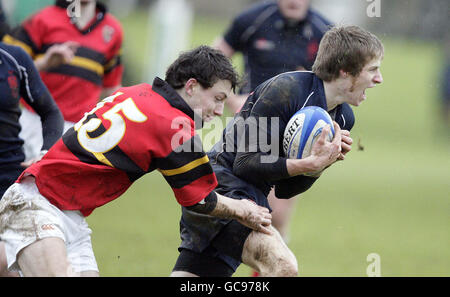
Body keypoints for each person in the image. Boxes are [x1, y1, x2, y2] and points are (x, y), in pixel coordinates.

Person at [0, 45, 272, 277]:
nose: (218, 111)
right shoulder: (173, 124)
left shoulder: (138, 91)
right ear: (191, 86)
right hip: (37, 204)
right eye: (217, 98)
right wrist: (244, 209)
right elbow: (202, 199)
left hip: (67, 212)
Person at [171, 25, 384, 277]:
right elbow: (246, 163)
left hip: (252, 199)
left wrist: (321, 164)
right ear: (346, 70)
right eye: (373, 69)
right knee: (283, 267)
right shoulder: (286, 91)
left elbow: (285, 189)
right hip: (223, 190)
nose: (379, 78)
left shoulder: (342, 117)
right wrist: (309, 164)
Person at [213, 0, 332, 262]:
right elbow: (213, 62)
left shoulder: (325, 31)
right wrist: (233, 99)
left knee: (276, 213)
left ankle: (270, 266)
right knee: (241, 202)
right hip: (253, 123)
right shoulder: (252, 20)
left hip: (296, 131)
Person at [2, 0, 123, 163]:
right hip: (35, 123)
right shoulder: (41, 20)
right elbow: (8, 68)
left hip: (80, 130)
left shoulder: (113, 30)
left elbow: (111, 88)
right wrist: (45, 63)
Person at [0, 41, 64, 277]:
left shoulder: (13, 58)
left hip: (10, 184)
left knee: (15, 264)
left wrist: (45, 152)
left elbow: (51, 112)